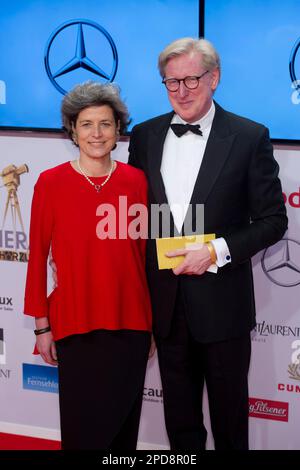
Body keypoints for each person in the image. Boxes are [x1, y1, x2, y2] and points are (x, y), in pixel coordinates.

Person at [128, 37, 288, 450]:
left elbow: (273, 221)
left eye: (192, 80)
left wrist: (216, 251)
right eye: (171, 82)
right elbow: (142, 219)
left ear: (214, 78)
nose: (181, 92)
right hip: (166, 308)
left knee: (230, 423)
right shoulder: (144, 136)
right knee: (180, 424)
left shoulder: (249, 137)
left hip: (223, 309)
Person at [24, 81, 152, 450]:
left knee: (123, 433)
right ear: (73, 131)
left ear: (117, 131)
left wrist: (152, 324)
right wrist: (40, 326)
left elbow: (145, 255)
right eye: (86, 124)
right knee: (84, 433)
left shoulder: (138, 181)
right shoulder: (50, 183)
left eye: (106, 124)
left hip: (131, 324)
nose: (96, 133)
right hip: (75, 323)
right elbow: (37, 259)